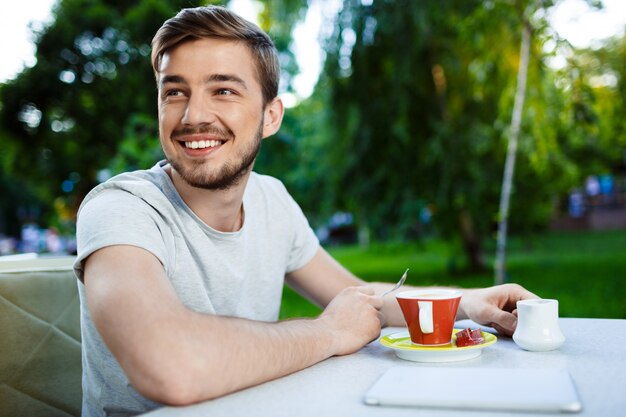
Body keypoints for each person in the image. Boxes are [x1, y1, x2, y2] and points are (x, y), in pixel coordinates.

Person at [73, 5, 537, 416]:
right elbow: (169, 366)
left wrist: (467, 303)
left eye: (224, 91)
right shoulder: (120, 209)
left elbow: (358, 296)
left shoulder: (270, 198)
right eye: (174, 92)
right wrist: (327, 333)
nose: (193, 115)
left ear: (270, 116)